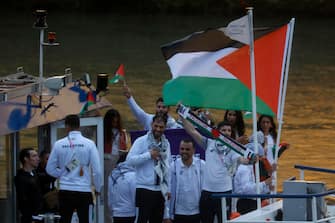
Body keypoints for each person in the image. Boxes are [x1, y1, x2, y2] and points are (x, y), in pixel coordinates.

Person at [181, 117, 247, 223]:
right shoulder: (208, 143)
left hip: (224, 194)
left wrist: (251, 160)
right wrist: (182, 116)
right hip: (207, 193)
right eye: (224, 130)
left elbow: (242, 160)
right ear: (217, 131)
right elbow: (192, 131)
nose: (227, 132)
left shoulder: (233, 149)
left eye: (229, 130)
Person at [46, 114, 102, 223]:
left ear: (66, 126)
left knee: (65, 220)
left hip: (65, 190)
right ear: (79, 126)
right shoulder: (89, 144)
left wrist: (62, 174)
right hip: (84, 191)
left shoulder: (59, 144)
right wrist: (98, 188)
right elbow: (97, 171)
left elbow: (49, 169)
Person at [126, 113, 171, 223]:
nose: (158, 129)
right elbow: (129, 160)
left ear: (165, 127)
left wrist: (168, 188)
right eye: (156, 126)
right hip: (144, 188)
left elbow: (167, 167)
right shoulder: (141, 141)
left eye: (161, 127)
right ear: (151, 124)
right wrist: (148, 155)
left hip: (160, 190)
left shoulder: (166, 144)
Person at [164, 139, 205, 223]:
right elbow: (167, 191)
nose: (184, 151)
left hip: (197, 212)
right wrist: (166, 215)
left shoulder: (201, 165)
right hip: (178, 212)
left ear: (194, 150)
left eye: (187, 149)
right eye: (182, 149)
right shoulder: (173, 166)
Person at [103, 108, 129, 223]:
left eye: (116, 122)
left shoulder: (122, 133)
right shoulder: (103, 132)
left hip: (118, 162)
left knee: (117, 192)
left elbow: (126, 150)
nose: (115, 124)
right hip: (106, 162)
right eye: (113, 122)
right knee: (106, 193)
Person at [233, 143, 273, 215]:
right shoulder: (244, 169)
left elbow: (253, 189)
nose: (259, 160)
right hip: (246, 203)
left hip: (250, 201)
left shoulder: (249, 167)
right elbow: (246, 189)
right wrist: (264, 183)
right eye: (259, 157)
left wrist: (266, 188)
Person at [15, 148, 43, 223]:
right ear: (26, 159)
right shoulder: (21, 178)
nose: (38, 159)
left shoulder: (34, 173)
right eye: (34, 156)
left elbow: (50, 176)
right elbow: (23, 200)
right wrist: (31, 217)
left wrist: (73, 164)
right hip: (30, 218)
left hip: (37, 215)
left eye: (37, 156)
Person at [108, 154, 136, 223]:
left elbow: (110, 196)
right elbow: (135, 197)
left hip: (116, 214)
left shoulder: (112, 175)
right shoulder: (133, 176)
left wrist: (113, 210)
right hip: (130, 213)